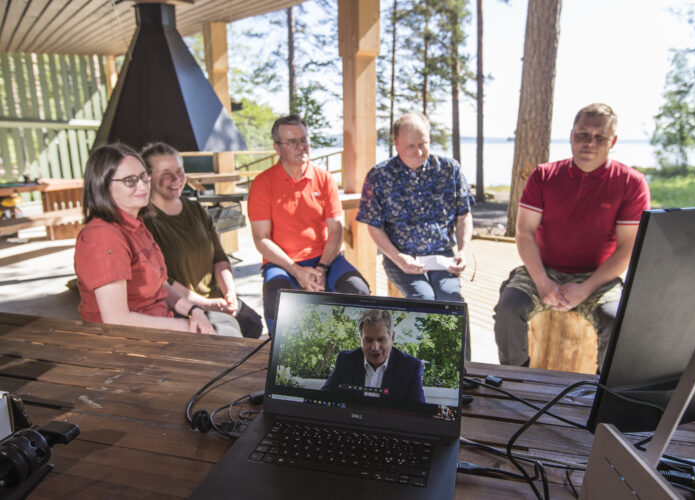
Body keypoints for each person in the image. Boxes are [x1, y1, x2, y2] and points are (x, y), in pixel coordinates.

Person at [493, 103, 651, 368]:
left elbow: (627, 248)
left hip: (598, 278)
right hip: (543, 270)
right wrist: (542, 282)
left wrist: (586, 287)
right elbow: (524, 232)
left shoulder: (631, 183)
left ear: (612, 141)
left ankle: (602, 393)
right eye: (582, 134)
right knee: (508, 309)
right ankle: (514, 381)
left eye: (599, 137)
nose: (590, 142)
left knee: (617, 320)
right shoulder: (544, 175)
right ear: (571, 135)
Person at [74, 143, 241, 337]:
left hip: (159, 323)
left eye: (144, 177)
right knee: (231, 340)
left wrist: (193, 310)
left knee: (230, 324)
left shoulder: (135, 226)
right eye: (130, 180)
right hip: (125, 341)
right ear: (103, 185)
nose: (143, 185)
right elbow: (116, 319)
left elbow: (161, 286)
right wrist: (189, 327)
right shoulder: (102, 237)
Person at [248, 115, 369, 331]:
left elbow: (335, 229)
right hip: (282, 263)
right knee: (276, 302)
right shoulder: (262, 183)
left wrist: (322, 267)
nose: (301, 146)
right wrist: (296, 270)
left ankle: (346, 352)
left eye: (304, 140)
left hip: (325, 259)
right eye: (292, 142)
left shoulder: (324, 179)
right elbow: (261, 239)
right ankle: (282, 359)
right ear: (277, 147)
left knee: (359, 292)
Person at [140, 142, 263, 338]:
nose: (176, 179)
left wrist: (229, 293)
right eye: (165, 173)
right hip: (181, 305)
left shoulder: (196, 210)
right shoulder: (144, 221)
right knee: (230, 337)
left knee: (252, 323)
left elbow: (219, 256)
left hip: (216, 297)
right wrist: (205, 304)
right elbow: (162, 280)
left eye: (179, 171)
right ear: (148, 178)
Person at [356, 112, 474, 303]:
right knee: (424, 300)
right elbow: (374, 226)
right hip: (402, 257)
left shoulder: (450, 170)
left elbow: (464, 216)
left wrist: (462, 251)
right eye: (411, 146)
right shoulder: (379, 176)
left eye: (423, 144)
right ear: (396, 143)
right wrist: (398, 257)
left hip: (442, 256)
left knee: (451, 301)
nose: (419, 152)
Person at [322, 309, 425, 403]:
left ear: (392, 337)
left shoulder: (411, 367)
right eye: (369, 340)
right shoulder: (345, 361)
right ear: (360, 339)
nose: (375, 347)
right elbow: (324, 400)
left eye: (381, 340)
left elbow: (419, 414)